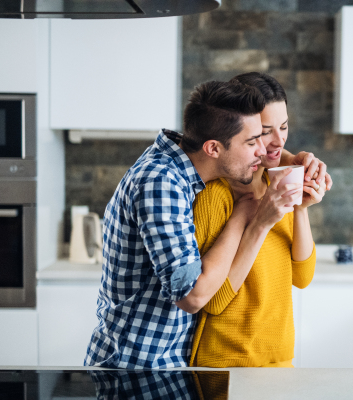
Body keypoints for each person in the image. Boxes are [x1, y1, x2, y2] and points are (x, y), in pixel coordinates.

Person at [84, 80, 329, 369]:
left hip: (168, 361)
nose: (263, 150)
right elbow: (194, 295)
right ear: (213, 148)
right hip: (140, 365)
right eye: (255, 140)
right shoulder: (162, 183)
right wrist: (248, 214)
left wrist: (297, 163)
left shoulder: (185, 167)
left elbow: (231, 138)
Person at [189, 72, 326, 368]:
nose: (279, 141)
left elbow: (302, 278)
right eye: (265, 131)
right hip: (225, 364)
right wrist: (258, 222)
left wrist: (301, 208)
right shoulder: (216, 197)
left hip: (279, 361)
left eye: (285, 127)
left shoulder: (277, 181)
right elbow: (211, 302)